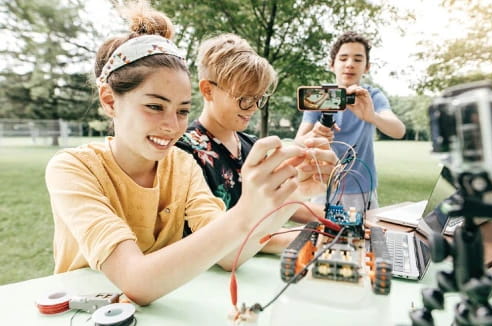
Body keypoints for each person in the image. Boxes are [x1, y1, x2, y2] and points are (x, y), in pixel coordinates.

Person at [45, 2, 336, 306]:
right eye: (155, 106)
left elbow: (229, 254)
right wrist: (247, 210)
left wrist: (286, 197)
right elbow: (136, 281)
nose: (172, 126)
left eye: (183, 110)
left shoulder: (181, 165)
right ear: (109, 100)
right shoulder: (72, 169)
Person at [175, 33, 326, 231]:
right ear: (208, 90)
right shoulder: (183, 152)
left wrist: (345, 224)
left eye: (258, 98)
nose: (254, 107)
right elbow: (219, 236)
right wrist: (320, 238)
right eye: (245, 98)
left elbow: (285, 204)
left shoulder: (252, 145)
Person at [295, 31, 406, 211]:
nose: (349, 64)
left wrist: (372, 116)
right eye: (343, 58)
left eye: (358, 59)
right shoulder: (319, 97)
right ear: (332, 65)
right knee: (322, 236)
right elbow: (298, 141)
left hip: (362, 186)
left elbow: (399, 130)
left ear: (367, 66)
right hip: (324, 185)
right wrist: (314, 134)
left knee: (365, 236)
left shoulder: (372, 96)